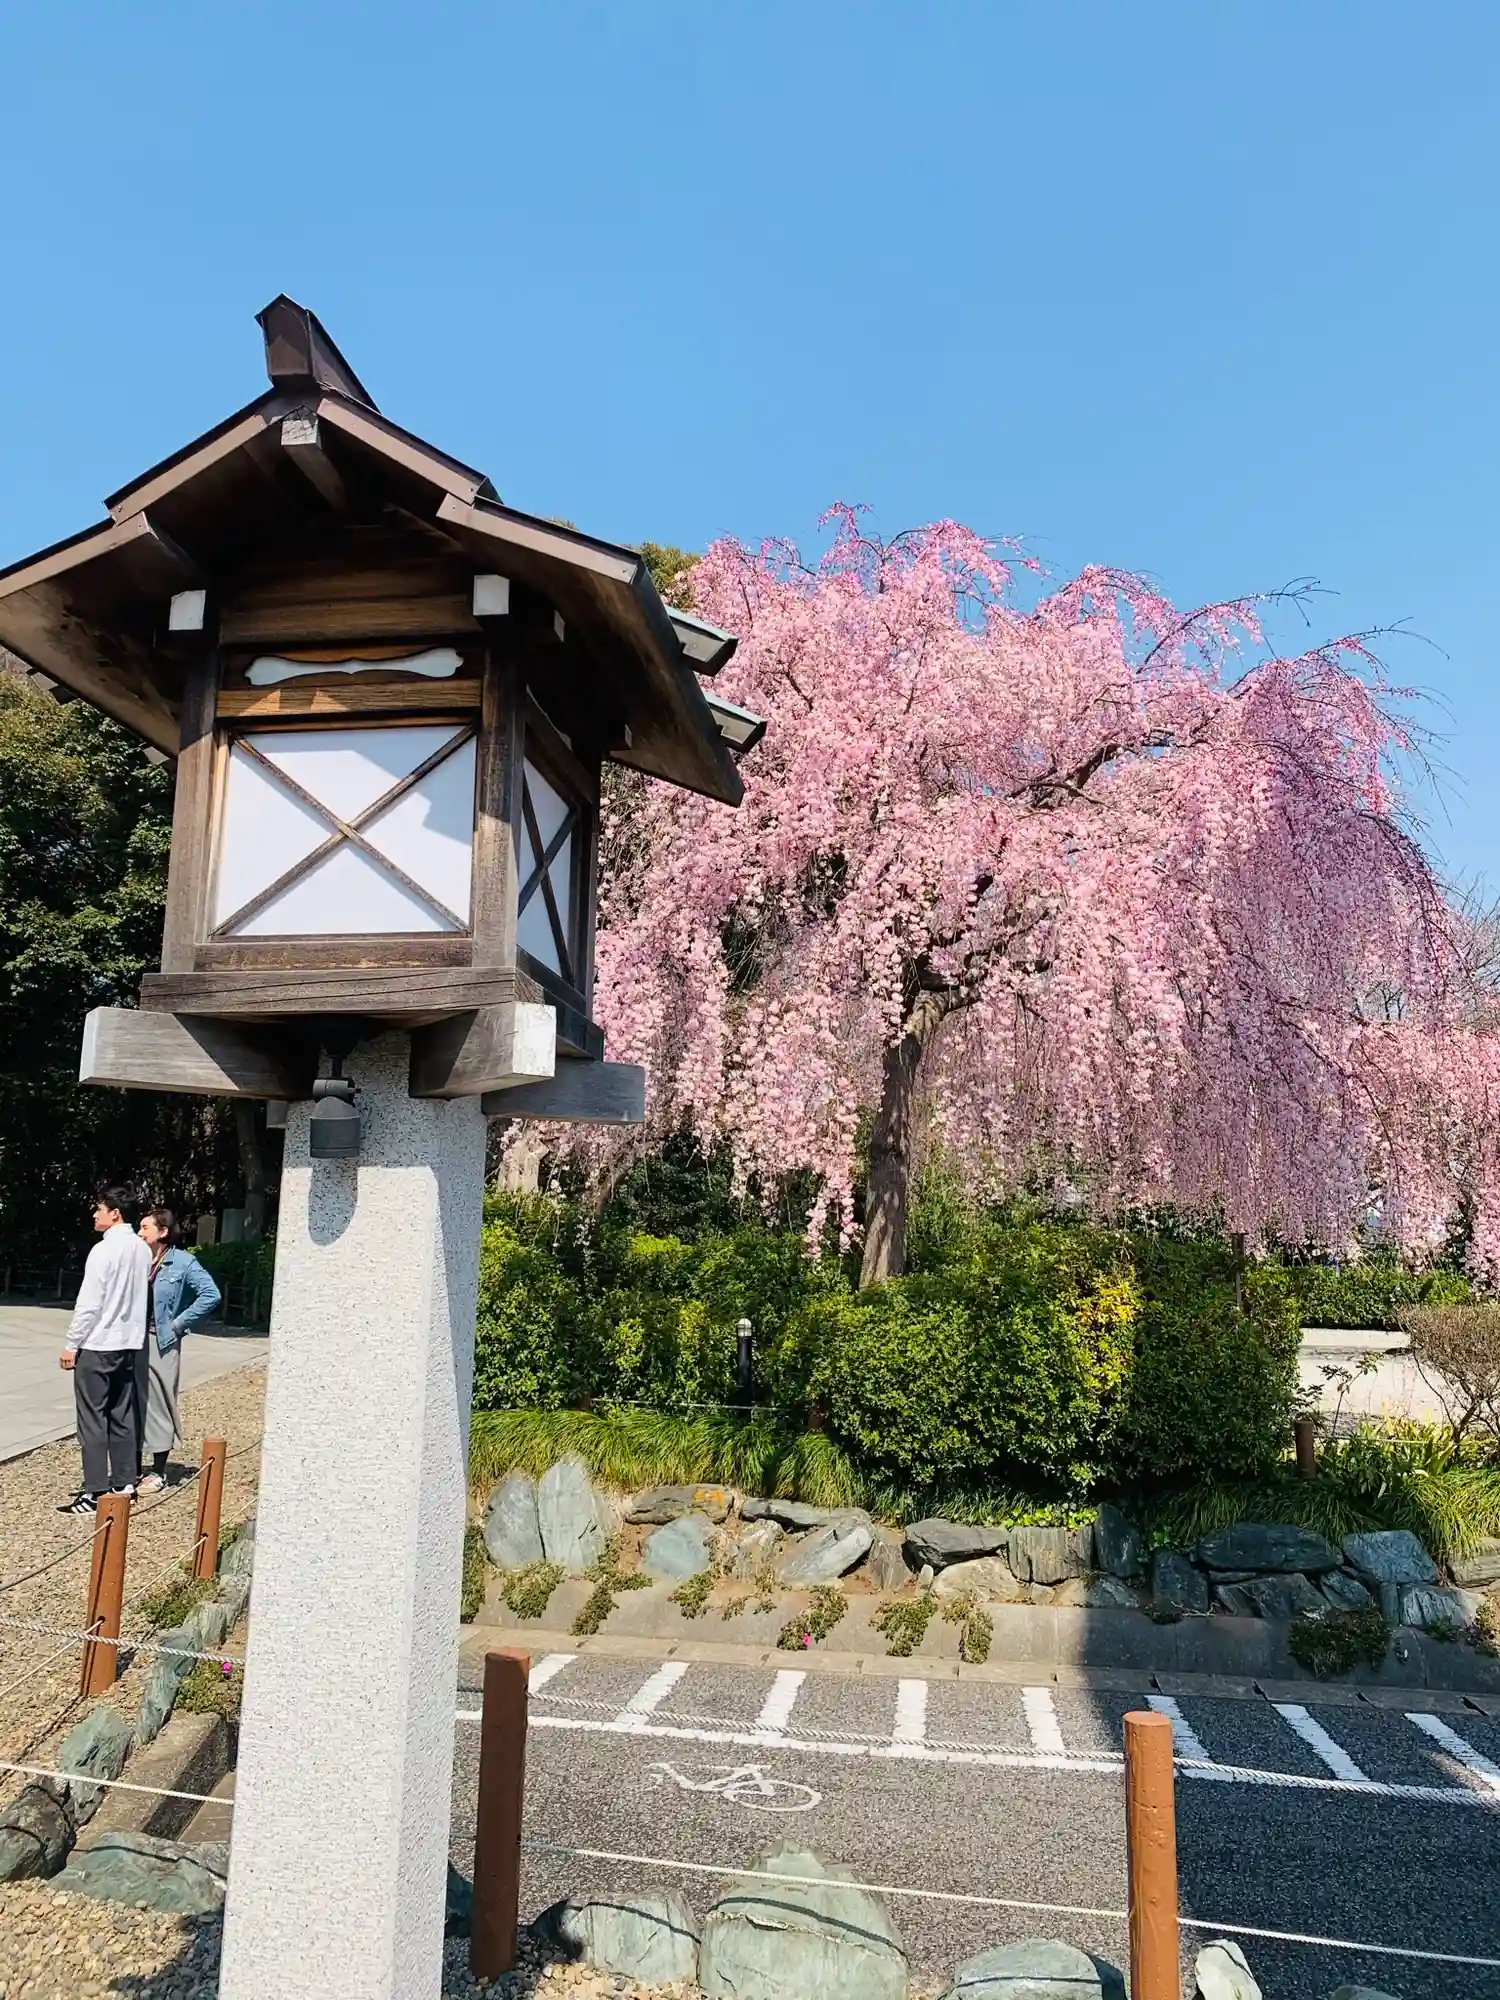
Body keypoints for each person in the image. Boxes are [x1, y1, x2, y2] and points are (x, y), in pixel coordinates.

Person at [59, 1186, 151, 1516]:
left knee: (93, 1418)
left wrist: (71, 1343)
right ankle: (124, 1482)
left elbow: (89, 1303)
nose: (94, 1214)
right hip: (129, 1343)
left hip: (98, 1344)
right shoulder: (142, 1249)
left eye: (99, 1209)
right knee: (122, 1413)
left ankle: (95, 1490)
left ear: (115, 1213)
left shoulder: (103, 1250)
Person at [135, 1209, 221, 1493]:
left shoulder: (182, 1262)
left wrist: (179, 1324)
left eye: (145, 1227)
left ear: (163, 1232)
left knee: (159, 1401)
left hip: (160, 1340)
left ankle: (157, 1471)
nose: (139, 1232)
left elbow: (211, 1294)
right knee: (130, 1401)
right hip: (130, 1339)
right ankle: (131, 1469)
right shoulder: (136, 1259)